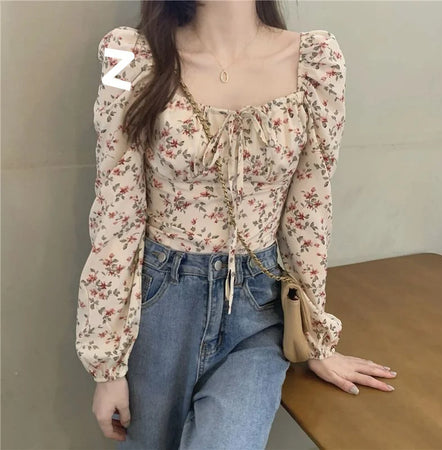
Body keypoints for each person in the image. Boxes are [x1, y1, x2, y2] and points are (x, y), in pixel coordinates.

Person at [76, 1, 398, 448]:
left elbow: (309, 212)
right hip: (158, 309)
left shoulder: (317, 62)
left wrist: (315, 339)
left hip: (257, 311)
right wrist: (107, 367)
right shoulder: (125, 57)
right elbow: (116, 213)